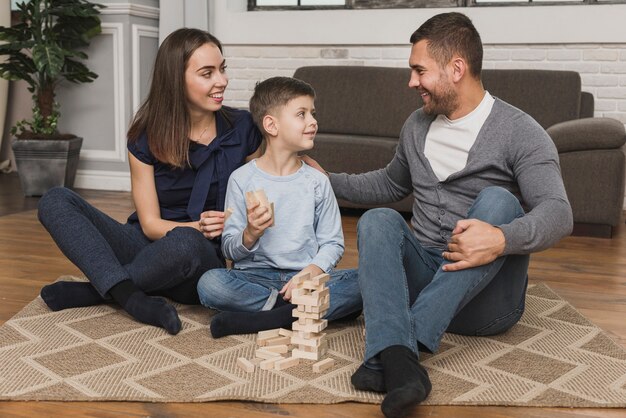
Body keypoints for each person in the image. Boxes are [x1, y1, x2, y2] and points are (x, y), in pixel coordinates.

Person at [303, 12, 573, 418]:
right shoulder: (418, 124)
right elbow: (391, 186)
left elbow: (558, 212)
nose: (412, 82)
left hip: (487, 301)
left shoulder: (520, 131)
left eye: (419, 70)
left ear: (456, 69)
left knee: (498, 202)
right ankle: (399, 359)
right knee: (378, 219)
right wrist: (328, 181)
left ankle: (397, 343)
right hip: (427, 272)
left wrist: (501, 239)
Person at [37, 28, 262, 335]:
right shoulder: (145, 135)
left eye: (222, 70)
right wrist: (196, 225)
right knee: (55, 200)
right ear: (175, 80)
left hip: (201, 258)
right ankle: (132, 297)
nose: (221, 81)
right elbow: (151, 225)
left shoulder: (243, 127)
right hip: (147, 246)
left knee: (187, 242)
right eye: (207, 73)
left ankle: (100, 290)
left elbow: (266, 187)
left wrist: (229, 224)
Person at [196, 76, 362, 338]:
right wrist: (250, 233)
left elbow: (333, 244)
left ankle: (270, 317)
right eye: (301, 114)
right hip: (255, 278)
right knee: (210, 284)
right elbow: (230, 248)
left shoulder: (317, 181)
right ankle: (297, 312)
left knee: (366, 281)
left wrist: (308, 274)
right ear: (271, 125)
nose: (313, 121)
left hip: (305, 277)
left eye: (312, 113)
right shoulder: (241, 179)